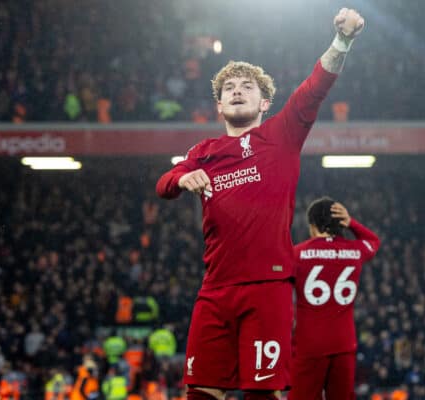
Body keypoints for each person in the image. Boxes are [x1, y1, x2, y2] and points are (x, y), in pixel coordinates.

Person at [155, 8, 365, 400]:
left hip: (267, 288)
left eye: (247, 86)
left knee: (263, 394)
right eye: (229, 87)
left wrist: (343, 41)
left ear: (266, 102)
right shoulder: (203, 151)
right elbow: (163, 184)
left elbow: (315, 87)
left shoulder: (282, 135)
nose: (236, 90)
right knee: (199, 392)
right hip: (214, 290)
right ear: (218, 106)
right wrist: (182, 177)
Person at [288, 198, 380, 400]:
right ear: (340, 224)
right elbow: (374, 241)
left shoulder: (297, 253)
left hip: (309, 344)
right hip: (344, 343)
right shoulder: (355, 251)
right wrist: (352, 223)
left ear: (312, 225)